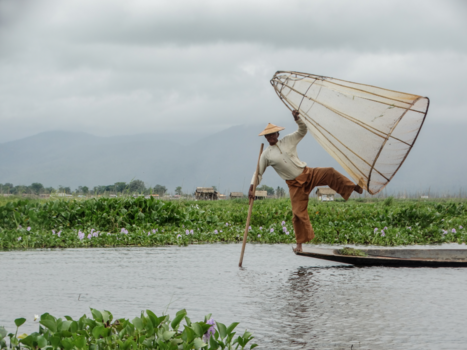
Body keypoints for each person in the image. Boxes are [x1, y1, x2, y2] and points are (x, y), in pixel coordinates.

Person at [248, 110, 363, 253]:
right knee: (297, 214)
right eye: (268, 135)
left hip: (308, 173)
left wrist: (298, 119)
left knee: (330, 172)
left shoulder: (288, 140)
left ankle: (353, 188)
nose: (270, 137)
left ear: (277, 134)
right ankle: (299, 246)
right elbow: (258, 172)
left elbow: (302, 130)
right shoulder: (266, 155)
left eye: (272, 134)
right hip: (294, 185)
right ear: (266, 138)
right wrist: (252, 186)